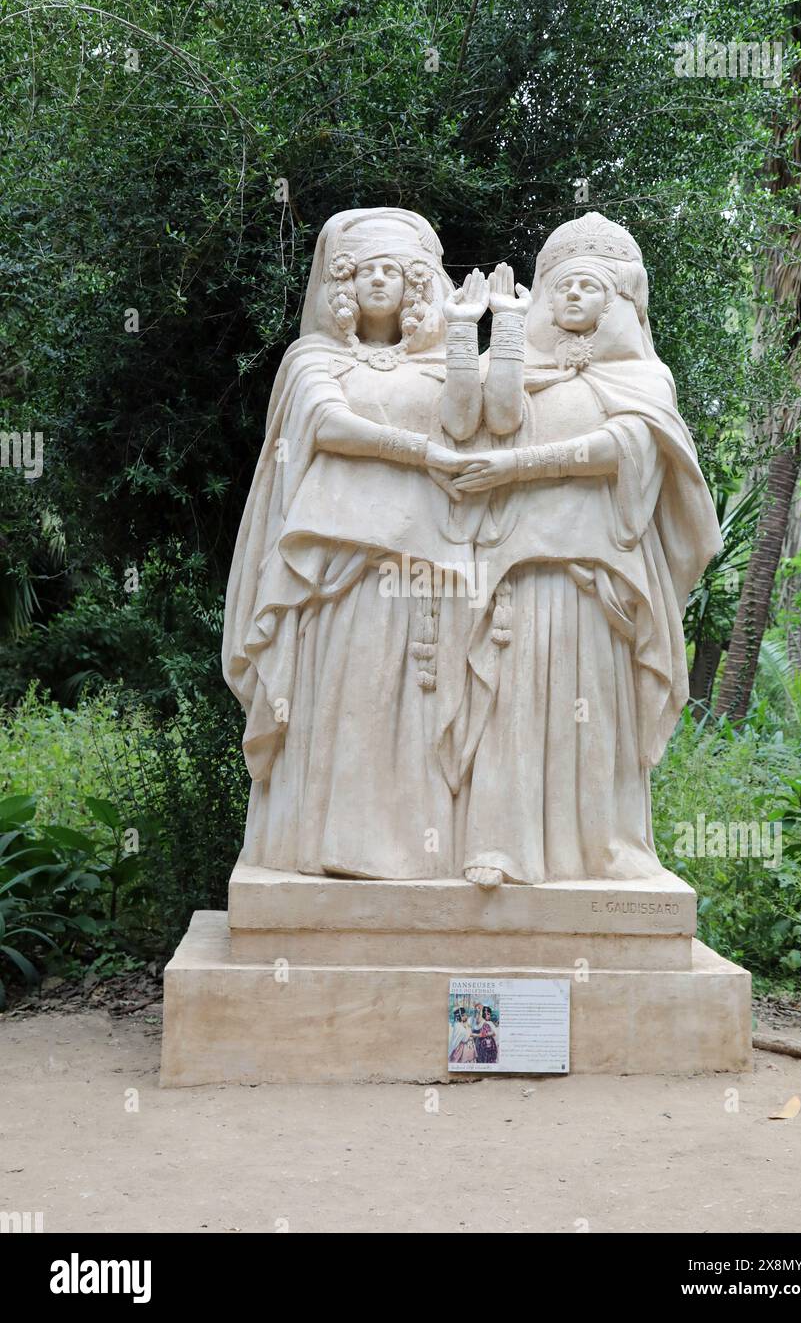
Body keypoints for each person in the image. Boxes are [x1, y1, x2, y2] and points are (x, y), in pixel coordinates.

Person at [443, 214, 723, 885]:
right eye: (562, 286)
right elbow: (476, 423)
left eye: (589, 287)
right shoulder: (511, 361)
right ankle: (499, 842)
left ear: (618, 302)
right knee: (509, 696)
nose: (572, 297)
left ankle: (607, 844)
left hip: (597, 571)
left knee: (594, 702)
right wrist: (497, 329)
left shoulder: (644, 380)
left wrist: (518, 468)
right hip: (516, 563)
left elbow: (619, 451)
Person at [223, 207, 481, 878]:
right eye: (366, 271)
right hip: (335, 561)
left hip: (423, 560)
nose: (378, 282)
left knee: (415, 701)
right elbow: (329, 426)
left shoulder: (432, 367)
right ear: (344, 283)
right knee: (343, 695)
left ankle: (414, 856)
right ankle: (325, 846)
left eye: (392, 271)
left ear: (413, 286)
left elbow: (467, 421)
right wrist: (417, 452)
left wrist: (465, 333)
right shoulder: (313, 360)